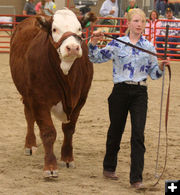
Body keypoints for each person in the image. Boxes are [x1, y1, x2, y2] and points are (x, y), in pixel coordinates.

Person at [88, 8, 170, 189]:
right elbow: (95, 58)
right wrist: (93, 43)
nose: (139, 24)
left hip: (140, 93)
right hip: (120, 91)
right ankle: (109, 167)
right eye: (136, 21)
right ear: (129, 23)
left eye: (142, 21)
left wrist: (162, 67)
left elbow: (154, 74)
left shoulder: (148, 46)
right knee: (116, 130)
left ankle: (136, 179)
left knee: (138, 134)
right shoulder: (118, 44)